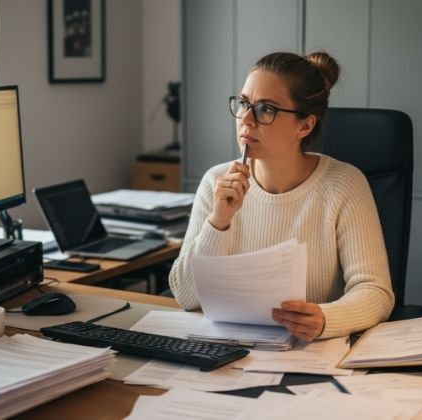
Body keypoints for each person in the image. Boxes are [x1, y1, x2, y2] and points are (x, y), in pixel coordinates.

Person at [168, 51, 394, 341]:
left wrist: (326, 319)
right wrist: (218, 221)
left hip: (310, 353)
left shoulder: (344, 184)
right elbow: (186, 297)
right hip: (228, 349)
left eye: (266, 109)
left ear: (305, 125)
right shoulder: (216, 181)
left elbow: (376, 292)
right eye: (243, 103)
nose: (246, 119)